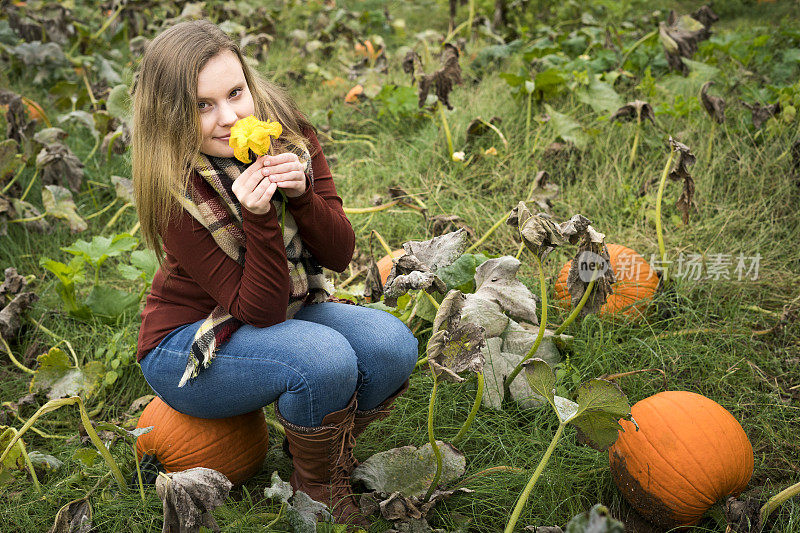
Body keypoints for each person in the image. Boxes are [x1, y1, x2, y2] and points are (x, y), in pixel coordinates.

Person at [131, 20, 418, 527]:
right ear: (172, 116)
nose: (229, 118)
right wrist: (259, 216)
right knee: (322, 358)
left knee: (389, 344)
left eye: (236, 93)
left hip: (283, 310)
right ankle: (317, 491)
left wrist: (303, 196)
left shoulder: (291, 136)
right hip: (189, 344)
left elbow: (340, 253)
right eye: (202, 106)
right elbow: (258, 310)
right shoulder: (175, 192)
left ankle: (321, 453)